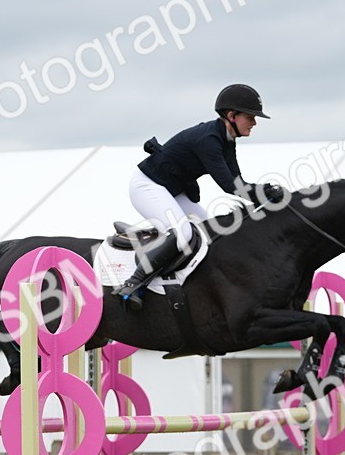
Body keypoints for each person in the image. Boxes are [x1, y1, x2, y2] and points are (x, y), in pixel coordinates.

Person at [112, 83, 281, 309]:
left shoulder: (227, 140)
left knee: (207, 231)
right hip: (147, 186)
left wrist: (263, 195)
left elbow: (237, 182)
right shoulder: (209, 140)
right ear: (231, 116)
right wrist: (263, 194)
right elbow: (229, 186)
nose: (254, 122)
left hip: (171, 188)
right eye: (250, 117)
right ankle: (132, 284)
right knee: (182, 233)